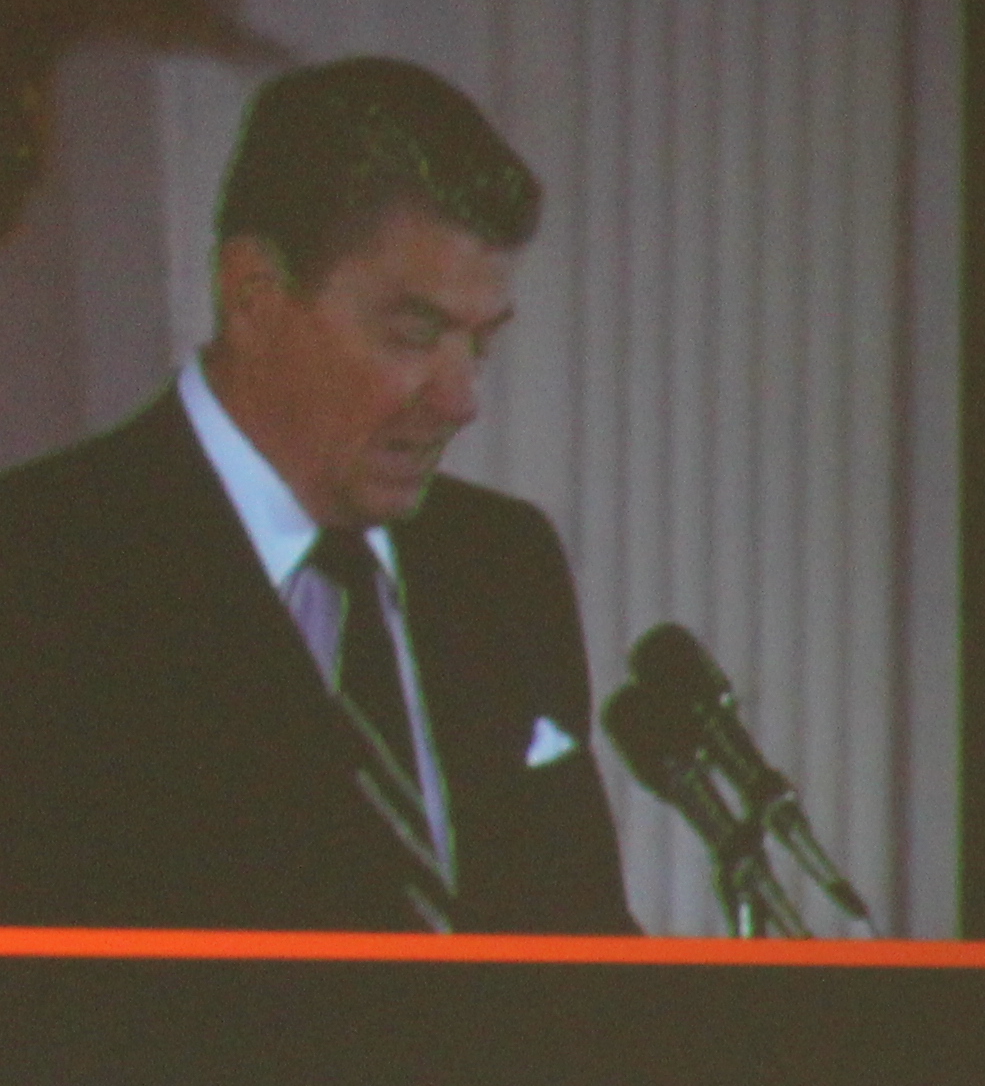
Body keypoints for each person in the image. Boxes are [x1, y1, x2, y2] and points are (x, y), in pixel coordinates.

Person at [0, 53, 632, 934]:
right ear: (254, 293)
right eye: (414, 334)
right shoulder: (35, 571)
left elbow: (586, 939)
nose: (461, 400)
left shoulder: (505, 562)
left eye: (479, 344)